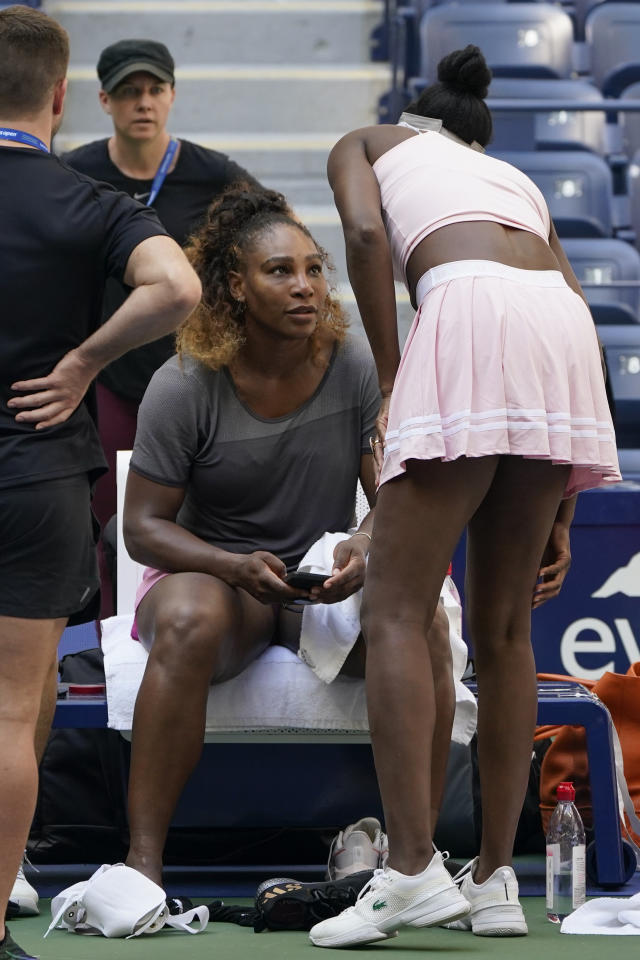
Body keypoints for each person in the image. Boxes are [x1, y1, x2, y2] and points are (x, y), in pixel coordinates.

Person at [308, 45, 621, 948]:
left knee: (398, 609)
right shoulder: (514, 177)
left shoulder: (368, 141)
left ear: (416, 122)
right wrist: (563, 503)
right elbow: (570, 303)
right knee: (509, 630)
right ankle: (491, 881)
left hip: (468, 312)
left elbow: (366, 240)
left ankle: (408, 869)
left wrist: (398, 375)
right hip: (563, 336)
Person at [120, 183, 461, 888]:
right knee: (188, 615)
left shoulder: (354, 365)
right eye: (280, 271)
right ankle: (142, 864)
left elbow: (388, 498)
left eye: (312, 268)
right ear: (235, 287)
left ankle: (414, 867)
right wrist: (233, 565)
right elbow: (142, 529)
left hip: (319, 586)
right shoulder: (184, 385)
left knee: (422, 619)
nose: (305, 286)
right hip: (220, 585)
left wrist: (365, 545)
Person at [0, 7, 201, 957]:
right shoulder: (88, 198)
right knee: (10, 711)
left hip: (35, 478)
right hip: (35, 475)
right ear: (60, 97)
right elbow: (179, 288)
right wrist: (83, 362)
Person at [63, 38, 259, 609]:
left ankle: (183, 628)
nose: (142, 102)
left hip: (194, 377)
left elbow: (273, 237)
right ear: (103, 100)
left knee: (189, 517)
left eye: (153, 89)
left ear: (172, 95)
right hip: (109, 378)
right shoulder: (76, 174)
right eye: (128, 91)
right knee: (108, 521)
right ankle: (103, 649)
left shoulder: (215, 175)